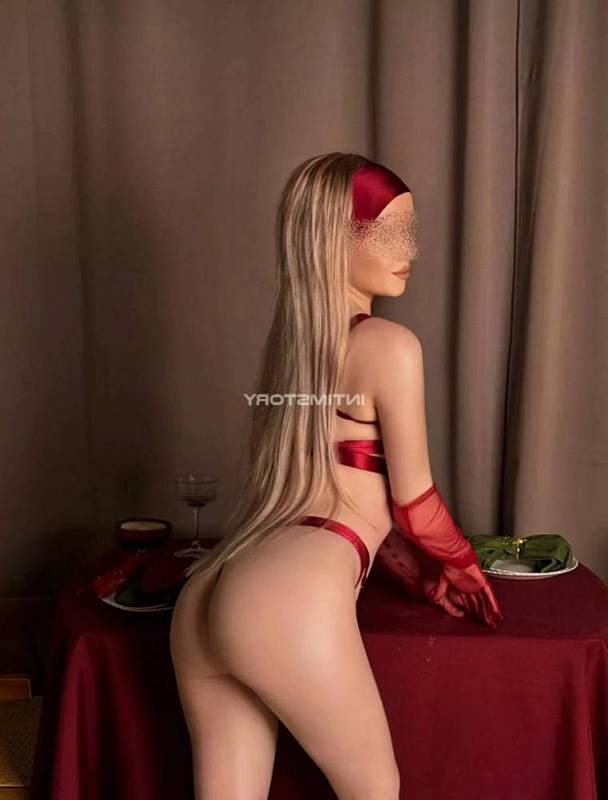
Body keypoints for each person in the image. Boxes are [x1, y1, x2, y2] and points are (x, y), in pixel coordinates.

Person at [169, 152, 503, 800]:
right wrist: (463, 565)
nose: (410, 251)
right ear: (333, 240)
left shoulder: (293, 350)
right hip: (284, 602)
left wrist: (417, 574)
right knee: (373, 788)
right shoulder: (390, 346)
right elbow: (415, 503)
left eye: (410, 232)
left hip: (211, 590)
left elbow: (346, 494)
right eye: (389, 232)